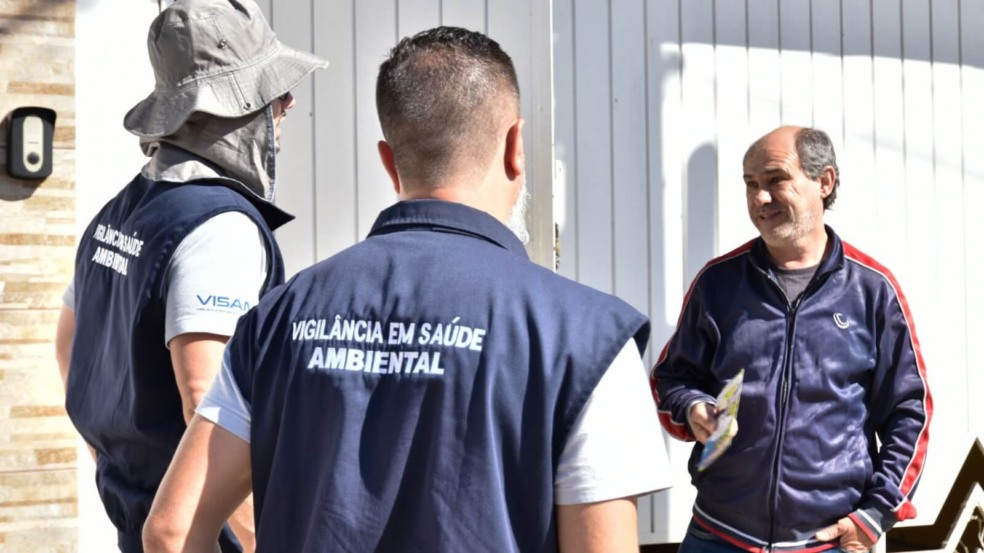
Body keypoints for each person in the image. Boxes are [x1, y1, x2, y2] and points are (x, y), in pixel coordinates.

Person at [142, 26, 673, 553]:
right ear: (516, 146)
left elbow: (171, 530)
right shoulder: (589, 340)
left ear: (388, 161)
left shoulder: (279, 316)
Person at [53, 0, 327, 550]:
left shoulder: (120, 212)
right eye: (274, 93)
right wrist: (258, 538)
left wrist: (123, 467)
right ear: (235, 108)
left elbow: (69, 346)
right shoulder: (217, 228)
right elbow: (208, 400)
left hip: (143, 524)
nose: (288, 103)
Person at [651, 126, 932, 553]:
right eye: (750, 184)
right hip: (718, 535)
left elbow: (910, 412)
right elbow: (671, 378)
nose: (760, 198)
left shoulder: (872, 290)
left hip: (825, 542)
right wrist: (692, 407)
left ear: (825, 182)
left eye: (775, 180)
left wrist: (875, 515)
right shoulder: (718, 283)